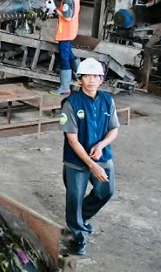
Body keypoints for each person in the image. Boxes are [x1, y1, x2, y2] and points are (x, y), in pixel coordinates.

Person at [59, 58, 118, 256]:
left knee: (106, 191)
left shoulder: (108, 100)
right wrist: (92, 165)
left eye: (95, 76)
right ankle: (79, 236)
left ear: (102, 80)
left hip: (102, 155)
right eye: (87, 76)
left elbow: (114, 129)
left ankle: (79, 218)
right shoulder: (71, 103)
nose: (91, 80)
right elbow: (72, 140)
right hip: (76, 160)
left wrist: (101, 145)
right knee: (74, 197)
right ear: (79, 79)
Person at [48, 0, 80, 95]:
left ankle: (65, 87)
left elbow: (67, 17)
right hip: (71, 31)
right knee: (70, 55)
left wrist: (54, 9)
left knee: (64, 58)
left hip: (65, 33)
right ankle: (80, 76)